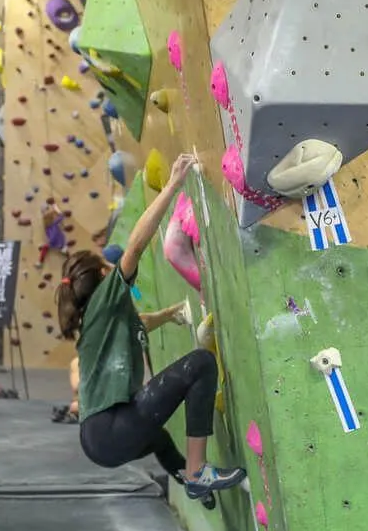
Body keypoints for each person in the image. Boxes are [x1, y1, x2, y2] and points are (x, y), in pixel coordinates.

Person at [58, 153, 245, 500]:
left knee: (159, 438)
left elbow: (139, 323)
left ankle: (195, 487)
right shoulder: (105, 298)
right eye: (107, 268)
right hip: (110, 430)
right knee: (200, 364)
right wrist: (173, 184)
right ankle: (196, 473)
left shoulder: (98, 321)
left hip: (98, 441)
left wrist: (171, 313)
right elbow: (136, 246)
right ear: (103, 275)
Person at [39, 198, 67, 266]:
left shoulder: (49, 224)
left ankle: (40, 262)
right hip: (56, 241)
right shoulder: (51, 224)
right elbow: (61, 215)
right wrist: (55, 206)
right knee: (46, 247)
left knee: (45, 247)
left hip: (56, 241)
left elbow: (60, 216)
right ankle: (40, 262)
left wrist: (54, 206)